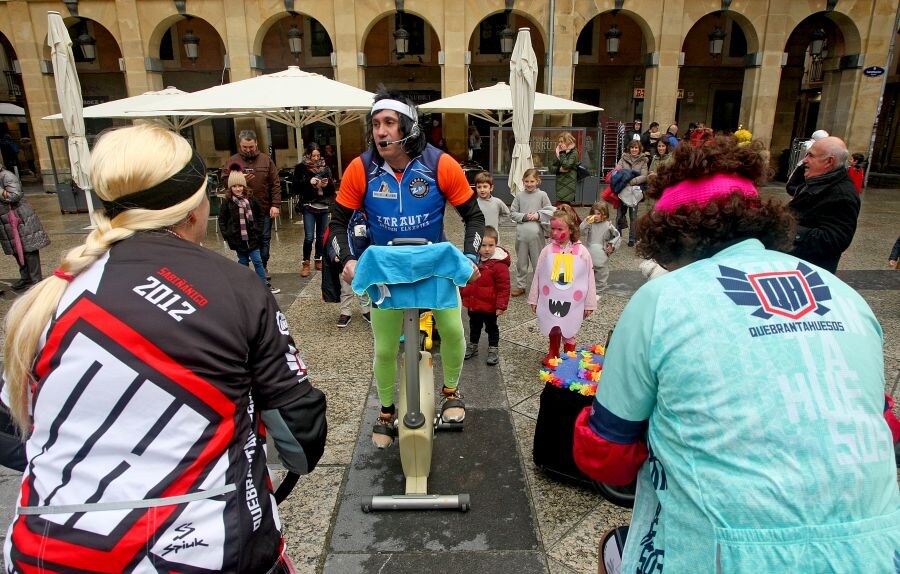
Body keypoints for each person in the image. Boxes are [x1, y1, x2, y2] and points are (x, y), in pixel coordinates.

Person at [0, 124, 327, 573]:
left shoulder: (49, 297)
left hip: (45, 549)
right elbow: (302, 439)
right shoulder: (237, 288)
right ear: (195, 207)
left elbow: (11, 428)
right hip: (205, 550)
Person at [573, 136, 900, 573]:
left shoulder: (661, 300)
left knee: (616, 551)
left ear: (669, 236)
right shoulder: (846, 296)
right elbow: (883, 426)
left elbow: (606, 457)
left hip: (725, 555)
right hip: (877, 552)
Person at [327, 89, 484, 448]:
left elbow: (473, 216)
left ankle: (451, 392)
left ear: (408, 128)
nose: (380, 132)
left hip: (433, 265)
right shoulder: (360, 168)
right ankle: (385, 412)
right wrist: (347, 259)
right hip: (386, 271)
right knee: (384, 349)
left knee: (453, 331)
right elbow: (337, 222)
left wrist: (471, 259)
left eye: (389, 123)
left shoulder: (440, 164)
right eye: (375, 124)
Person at [529, 208, 596, 367]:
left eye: (560, 229)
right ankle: (553, 352)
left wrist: (589, 303)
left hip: (572, 302)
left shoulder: (581, 252)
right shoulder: (548, 250)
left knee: (569, 328)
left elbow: (589, 277)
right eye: (553, 228)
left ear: (571, 230)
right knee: (552, 325)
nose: (555, 232)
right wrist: (534, 298)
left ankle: (568, 356)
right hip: (551, 299)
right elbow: (539, 274)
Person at [787, 136, 860, 274]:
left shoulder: (842, 195)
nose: (805, 160)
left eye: (811, 155)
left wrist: (786, 227)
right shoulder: (818, 179)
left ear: (829, 161)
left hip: (810, 273)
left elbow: (834, 239)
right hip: (796, 266)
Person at [221, 130, 281, 290]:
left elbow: (275, 183)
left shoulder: (266, 160)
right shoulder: (232, 160)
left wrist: (275, 204)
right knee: (246, 240)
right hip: (240, 210)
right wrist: (239, 179)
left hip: (263, 206)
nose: (248, 149)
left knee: (264, 238)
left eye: (251, 146)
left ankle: (263, 265)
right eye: (245, 147)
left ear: (256, 144)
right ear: (240, 145)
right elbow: (224, 180)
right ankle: (248, 271)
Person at [461, 226, 510, 366]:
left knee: (491, 328)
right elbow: (464, 279)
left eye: (491, 245)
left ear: (496, 245)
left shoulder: (499, 265)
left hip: (490, 306)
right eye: (483, 245)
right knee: (474, 326)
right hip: (474, 303)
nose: (487, 249)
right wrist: (461, 294)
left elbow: (504, 287)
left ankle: (493, 348)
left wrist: (501, 305)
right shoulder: (472, 260)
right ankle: (473, 345)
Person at [1, 161, 49, 292]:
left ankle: (35, 281)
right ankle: (25, 278)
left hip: (20, 218)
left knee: (28, 250)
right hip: (6, 221)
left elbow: (15, 195)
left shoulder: (6, 176)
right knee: (17, 250)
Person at [218, 168, 269, 289]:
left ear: (244, 186)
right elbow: (222, 219)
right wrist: (227, 234)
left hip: (252, 237)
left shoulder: (251, 200)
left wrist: (258, 229)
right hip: (237, 238)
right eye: (234, 186)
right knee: (243, 261)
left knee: (257, 260)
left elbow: (260, 215)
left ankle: (263, 283)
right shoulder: (228, 202)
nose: (237, 189)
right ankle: (245, 283)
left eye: (240, 186)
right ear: (230, 188)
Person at [509, 168, 554, 297]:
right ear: (523, 181)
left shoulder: (542, 195)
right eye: (527, 181)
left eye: (532, 181)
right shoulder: (519, 196)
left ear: (538, 181)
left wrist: (538, 215)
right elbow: (512, 213)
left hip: (537, 237)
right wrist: (524, 216)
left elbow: (550, 212)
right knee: (521, 263)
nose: (529, 184)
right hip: (521, 236)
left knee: (538, 262)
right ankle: (521, 285)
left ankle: (540, 285)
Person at [293, 142, 335, 277]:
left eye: (318, 155)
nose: (316, 158)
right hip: (309, 205)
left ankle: (318, 259)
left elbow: (331, 190)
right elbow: (295, 187)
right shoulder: (301, 168)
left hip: (323, 205)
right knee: (309, 237)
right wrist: (308, 182)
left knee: (321, 236)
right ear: (308, 155)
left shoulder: (326, 168)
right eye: (313, 156)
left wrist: (326, 185)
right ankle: (306, 263)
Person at [580, 201, 620, 299]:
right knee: (588, 271)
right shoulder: (591, 224)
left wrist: (612, 245)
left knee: (601, 273)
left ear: (605, 214)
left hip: (601, 254)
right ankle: (588, 288)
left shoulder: (608, 225)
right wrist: (586, 221)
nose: (596, 216)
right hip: (590, 252)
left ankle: (599, 291)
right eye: (594, 213)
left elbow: (617, 237)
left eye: (598, 214)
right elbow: (581, 231)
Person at [614, 139, 649, 247]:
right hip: (623, 190)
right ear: (629, 148)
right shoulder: (623, 158)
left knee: (633, 216)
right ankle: (617, 237)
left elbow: (644, 176)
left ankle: (632, 239)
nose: (634, 150)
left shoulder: (643, 161)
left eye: (636, 148)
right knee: (619, 215)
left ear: (639, 149)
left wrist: (632, 181)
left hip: (635, 191)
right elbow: (617, 170)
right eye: (632, 147)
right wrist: (621, 176)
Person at [474, 171, 510, 242]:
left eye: (485, 187)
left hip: (493, 238)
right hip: (478, 238)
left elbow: (507, 213)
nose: (482, 190)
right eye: (479, 187)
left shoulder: (497, 202)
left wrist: (497, 222)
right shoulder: (474, 204)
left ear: (491, 188)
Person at [552, 132, 580, 206]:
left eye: (562, 141)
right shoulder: (559, 152)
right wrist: (558, 169)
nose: (559, 144)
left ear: (567, 141)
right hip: (560, 183)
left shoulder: (574, 152)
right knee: (565, 208)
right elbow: (551, 167)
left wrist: (562, 153)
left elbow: (566, 166)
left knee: (562, 207)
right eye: (559, 141)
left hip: (568, 183)